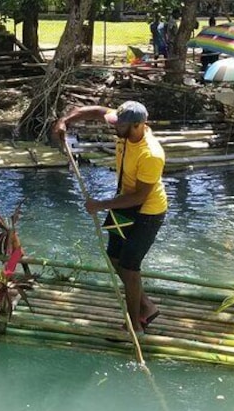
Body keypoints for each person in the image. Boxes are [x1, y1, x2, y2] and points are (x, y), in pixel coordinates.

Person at [53, 101, 168, 336]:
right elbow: (96, 111)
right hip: (123, 202)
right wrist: (65, 120)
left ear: (137, 126)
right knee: (114, 257)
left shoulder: (151, 154)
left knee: (129, 266)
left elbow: (140, 197)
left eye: (120, 125)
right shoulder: (126, 124)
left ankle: (134, 325)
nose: (113, 127)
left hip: (147, 211)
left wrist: (100, 205)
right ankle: (146, 306)